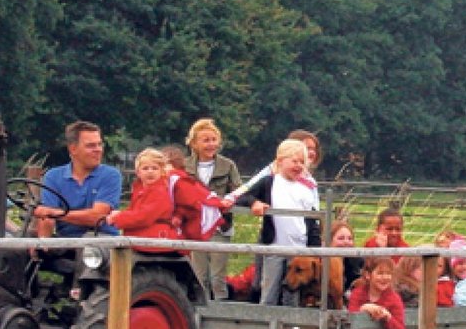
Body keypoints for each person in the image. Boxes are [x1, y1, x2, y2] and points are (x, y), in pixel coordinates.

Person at [235, 139, 320, 306]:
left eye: (302, 162)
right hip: (274, 246)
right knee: (269, 290)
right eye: (294, 161)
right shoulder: (270, 182)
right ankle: (265, 326)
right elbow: (243, 196)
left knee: (292, 293)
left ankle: (290, 327)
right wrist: (254, 203)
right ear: (280, 161)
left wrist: (315, 249)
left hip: (298, 250)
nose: (298, 166)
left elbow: (311, 222)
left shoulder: (306, 188)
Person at [183, 119, 241, 301]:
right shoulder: (185, 166)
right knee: (199, 276)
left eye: (214, 139)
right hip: (194, 228)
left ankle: (221, 311)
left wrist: (228, 200)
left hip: (220, 226)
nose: (211, 144)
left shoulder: (228, 165)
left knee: (218, 277)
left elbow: (238, 189)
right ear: (194, 143)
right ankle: (200, 313)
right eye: (205, 140)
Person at [34, 121, 122, 237]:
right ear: (73, 149)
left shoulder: (110, 175)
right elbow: (47, 217)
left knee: (88, 248)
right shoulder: (53, 176)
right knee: (15, 250)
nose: (98, 149)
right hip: (66, 241)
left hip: (101, 239)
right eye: (91, 146)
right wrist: (41, 246)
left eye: (100, 144)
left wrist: (54, 213)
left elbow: (97, 217)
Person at [105, 149, 181, 253]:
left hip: (156, 242)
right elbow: (135, 211)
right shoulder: (141, 190)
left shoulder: (160, 192)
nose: (150, 171)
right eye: (145, 168)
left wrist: (118, 218)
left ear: (162, 171)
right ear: (138, 172)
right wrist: (120, 214)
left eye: (155, 168)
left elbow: (143, 217)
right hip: (143, 240)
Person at [347, 257, 405, 329]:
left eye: (388, 273)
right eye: (380, 273)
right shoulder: (357, 293)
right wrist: (364, 308)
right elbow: (349, 320)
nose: (385, 277)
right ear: (368, 275)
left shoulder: (394, 299)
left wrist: (388, 317)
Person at [330, 221, 366, 295]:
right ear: (329, 241)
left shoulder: (359, 262)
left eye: (350, 239)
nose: (346, 242)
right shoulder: (321, 263)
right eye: (341, 238)